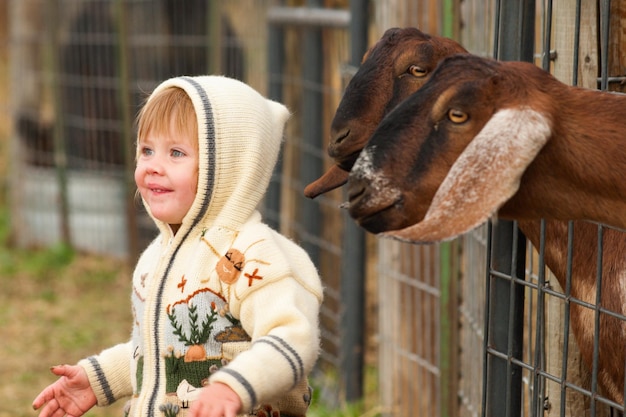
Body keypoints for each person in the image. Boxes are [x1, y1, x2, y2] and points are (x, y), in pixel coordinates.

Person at [32, 75, 324, 417]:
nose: (154, 166)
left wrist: (234, 385)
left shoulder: (253, 254)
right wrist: (97, 379)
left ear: (230, 165)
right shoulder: (156, 254)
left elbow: (292, 340)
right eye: (146, 150)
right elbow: (163, 353)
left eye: (176, 153)